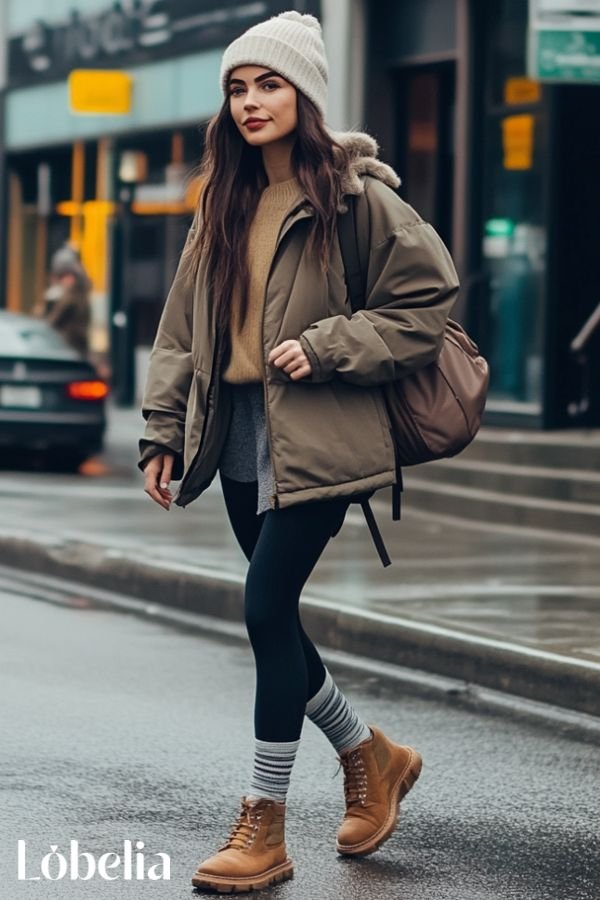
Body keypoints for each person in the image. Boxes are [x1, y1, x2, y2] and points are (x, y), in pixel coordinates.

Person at [138, 10, 459, 893]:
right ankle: (371, 756)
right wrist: (162, 431)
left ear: (306, 94)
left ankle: (265, 823)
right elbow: (179, 332)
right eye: (238, 88)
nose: (250, 101)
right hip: (237, 429)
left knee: (263, 606)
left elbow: (427, 297)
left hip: (319, 433)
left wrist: (328, 346)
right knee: (271, 616)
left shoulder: (356, 196)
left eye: (268, 83)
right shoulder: (223, 199)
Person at [34, 244, 92, 358]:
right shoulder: (73, 292)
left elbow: (51, 322)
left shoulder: (72, 295)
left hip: (68, 347)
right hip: (69, 346)